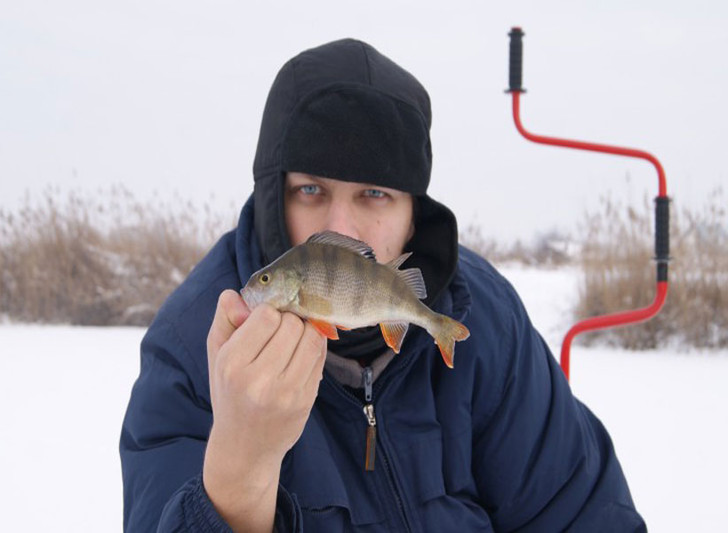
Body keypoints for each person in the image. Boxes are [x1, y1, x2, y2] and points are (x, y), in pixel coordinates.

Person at [120, 38, 646, 532]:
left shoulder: (486, 320)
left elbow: (582, 511)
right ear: (271, 201)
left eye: (374, 193)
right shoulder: (195, 348)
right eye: (310, 189)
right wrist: (239, 473)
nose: (342, 230)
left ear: (415, 211)